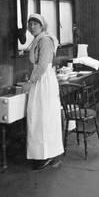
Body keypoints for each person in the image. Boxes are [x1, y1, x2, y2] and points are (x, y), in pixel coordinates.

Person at [22, 13, 64, 171]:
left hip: (43, 81)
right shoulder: (38, 39)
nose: (32, 27)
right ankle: (42, 154)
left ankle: (47, 154)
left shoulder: (45, 40)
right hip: (41, 80)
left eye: (35, 24)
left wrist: (30, 82)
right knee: (39, 117)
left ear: (42, 26)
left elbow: (42, 66)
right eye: (30, 24)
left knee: (43, 117)